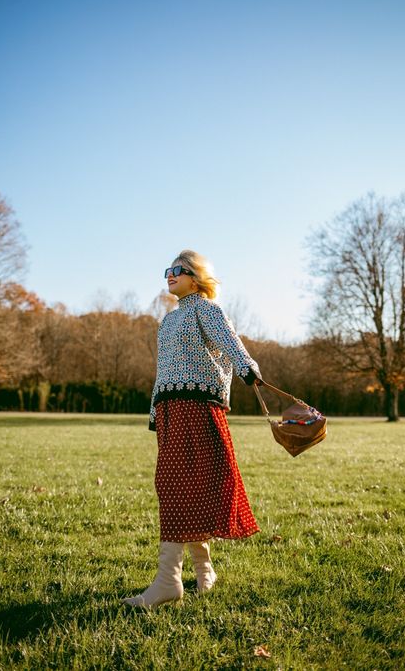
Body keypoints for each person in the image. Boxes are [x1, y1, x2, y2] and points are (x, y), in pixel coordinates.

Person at [122, 249, 262, 609]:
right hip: (170, 410)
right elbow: (163, 370)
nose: (169, 275)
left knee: (184, 486)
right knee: (177, 486)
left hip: (200, 409)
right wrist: (156, 410)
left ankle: (169, 580)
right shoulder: (167, 321)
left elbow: (231, 343)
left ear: (196, 276)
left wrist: (248, 369)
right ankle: (203, 569)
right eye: (166, 270)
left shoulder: (206, 309)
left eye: (177, 270)